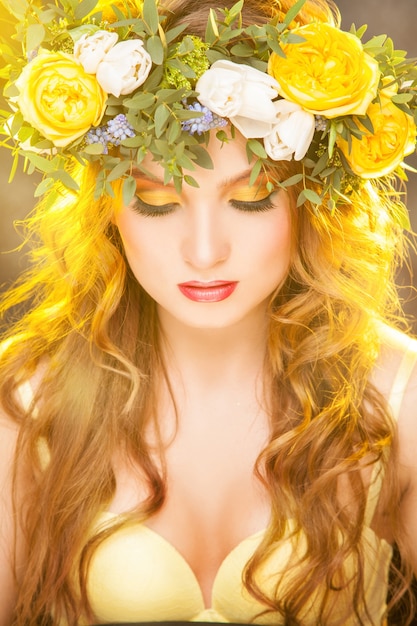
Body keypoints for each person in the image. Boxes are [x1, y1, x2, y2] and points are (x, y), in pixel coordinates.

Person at [0, 0, 417, 624]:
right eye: (157, 201)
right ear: (106, 211)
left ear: (310, 203)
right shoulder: (27, 398)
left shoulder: (398, 396)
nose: (204, 252)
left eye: (250, 198)